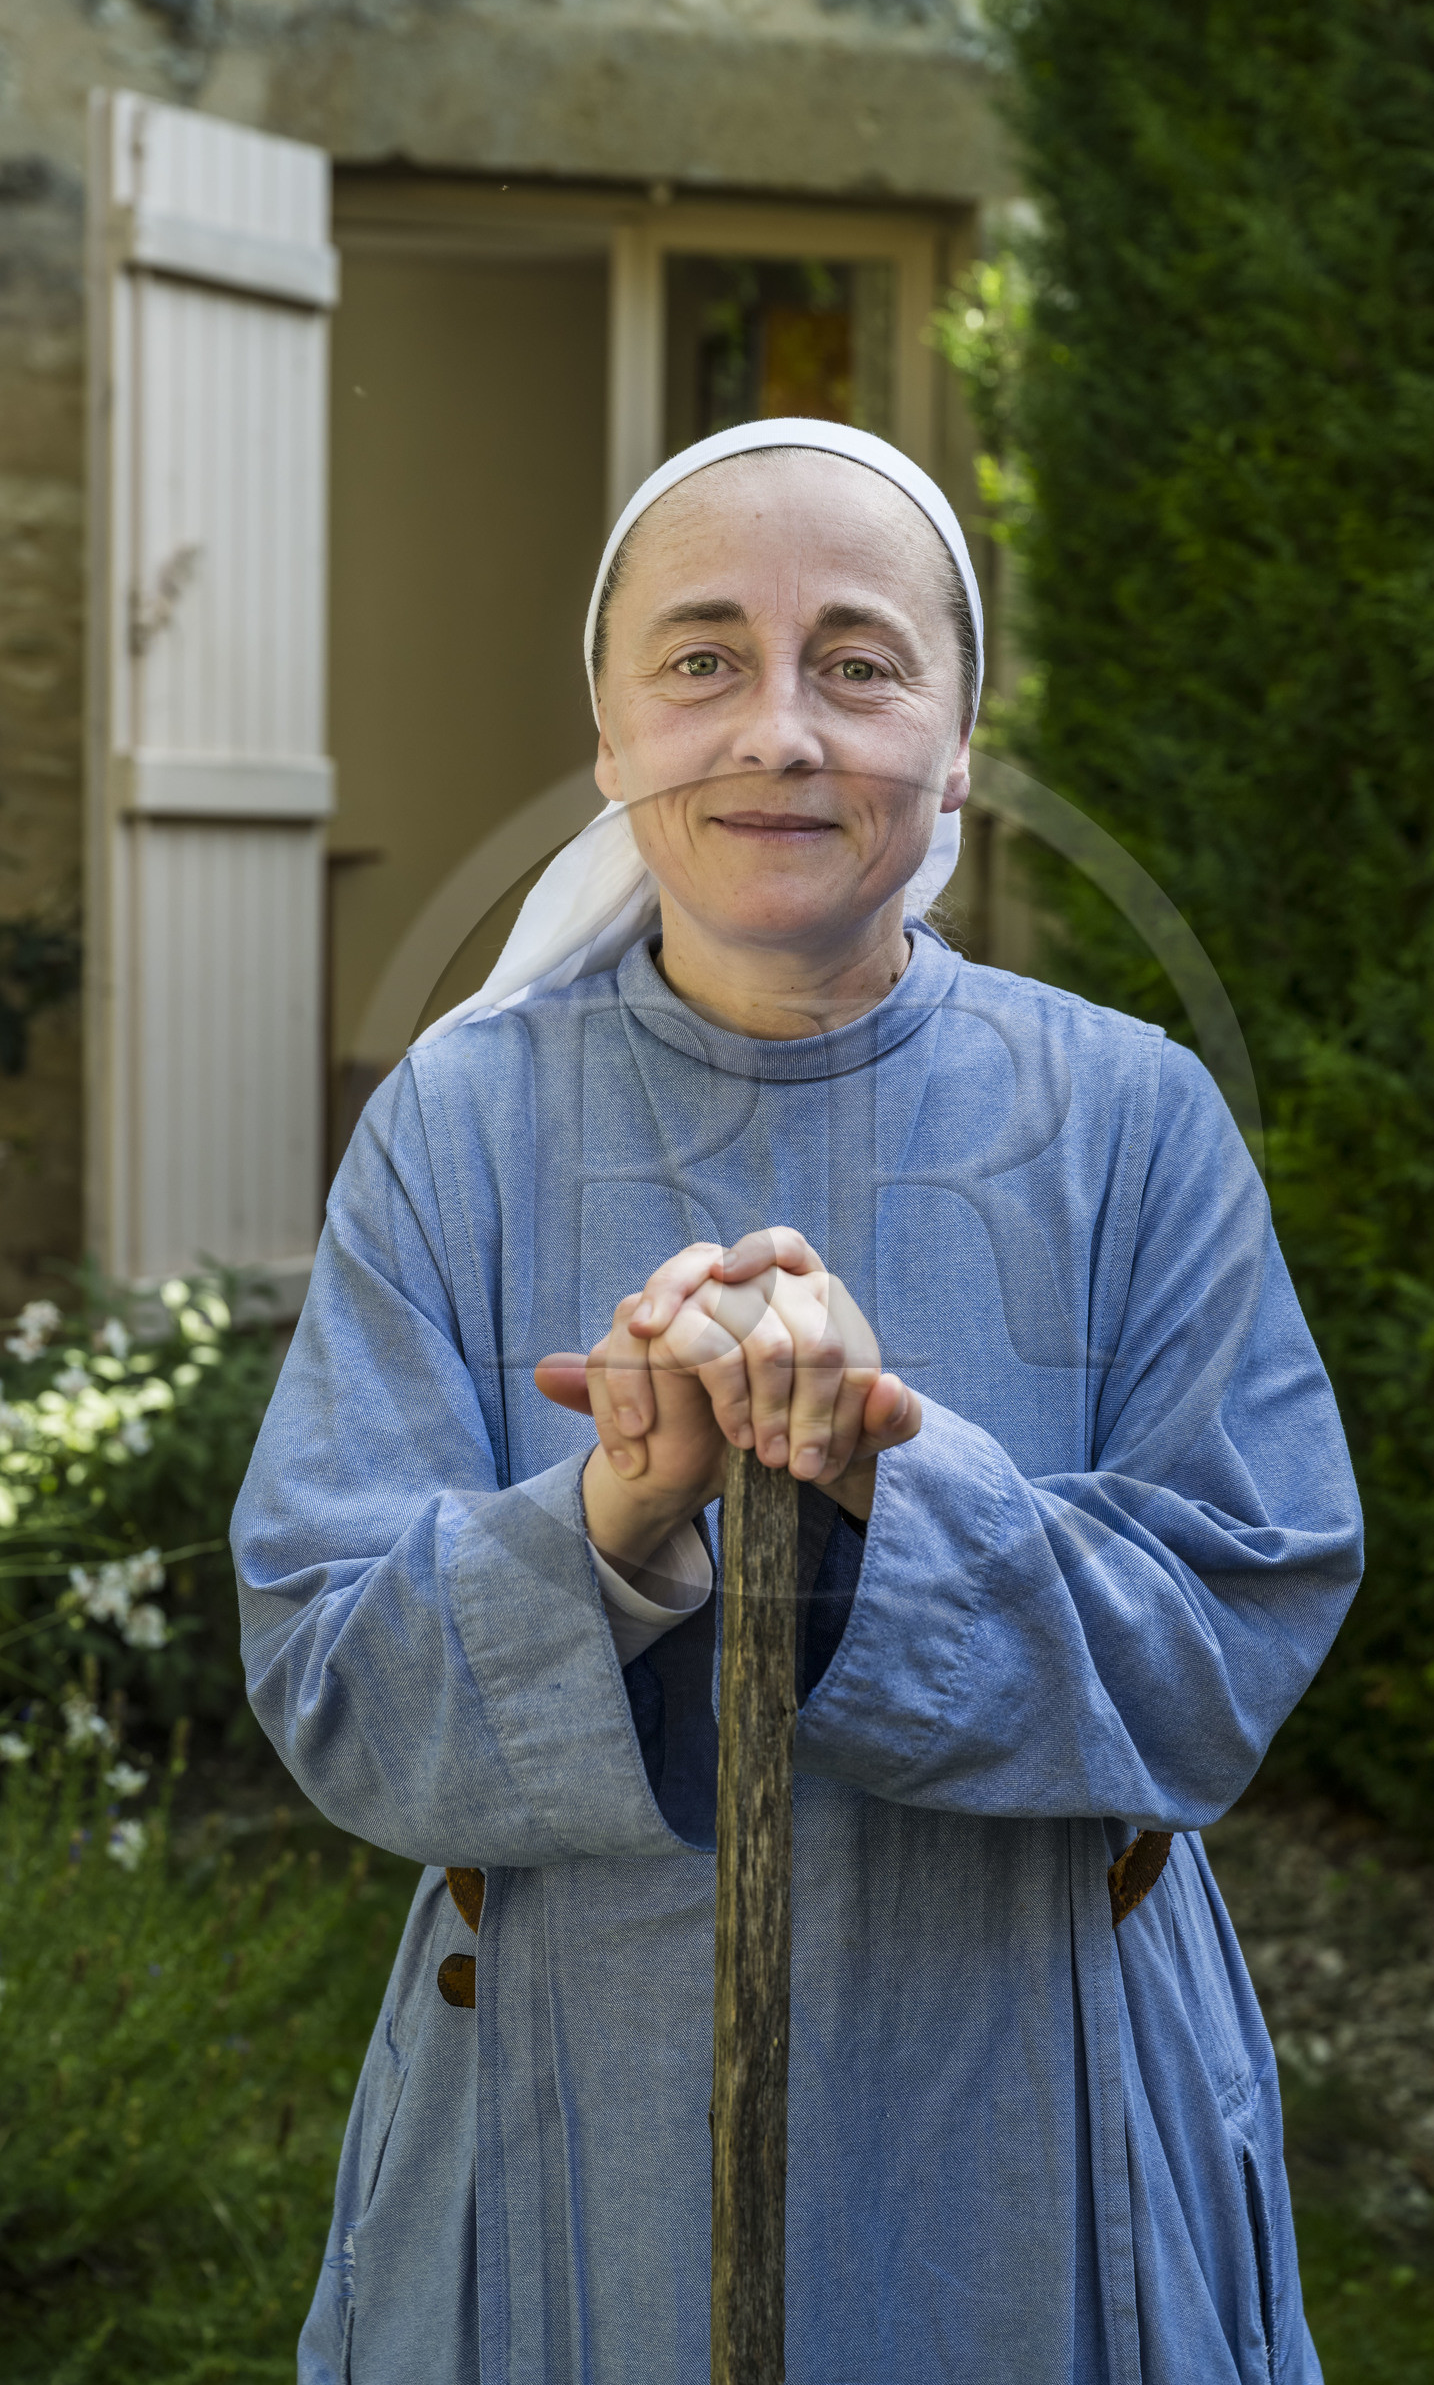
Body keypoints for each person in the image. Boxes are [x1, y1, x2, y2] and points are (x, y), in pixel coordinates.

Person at [233, 417, 1363, 2385]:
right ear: (608, 738)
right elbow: (331, 1667)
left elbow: (1221, 1639)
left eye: (856, 661)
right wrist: (607, 1531)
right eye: (700, 659)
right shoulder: (454, 1126)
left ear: (956, 745)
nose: (777, 730)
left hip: (1031, 2098)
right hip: (576, 2097)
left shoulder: (1131, 1120)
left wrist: (884, 1500)